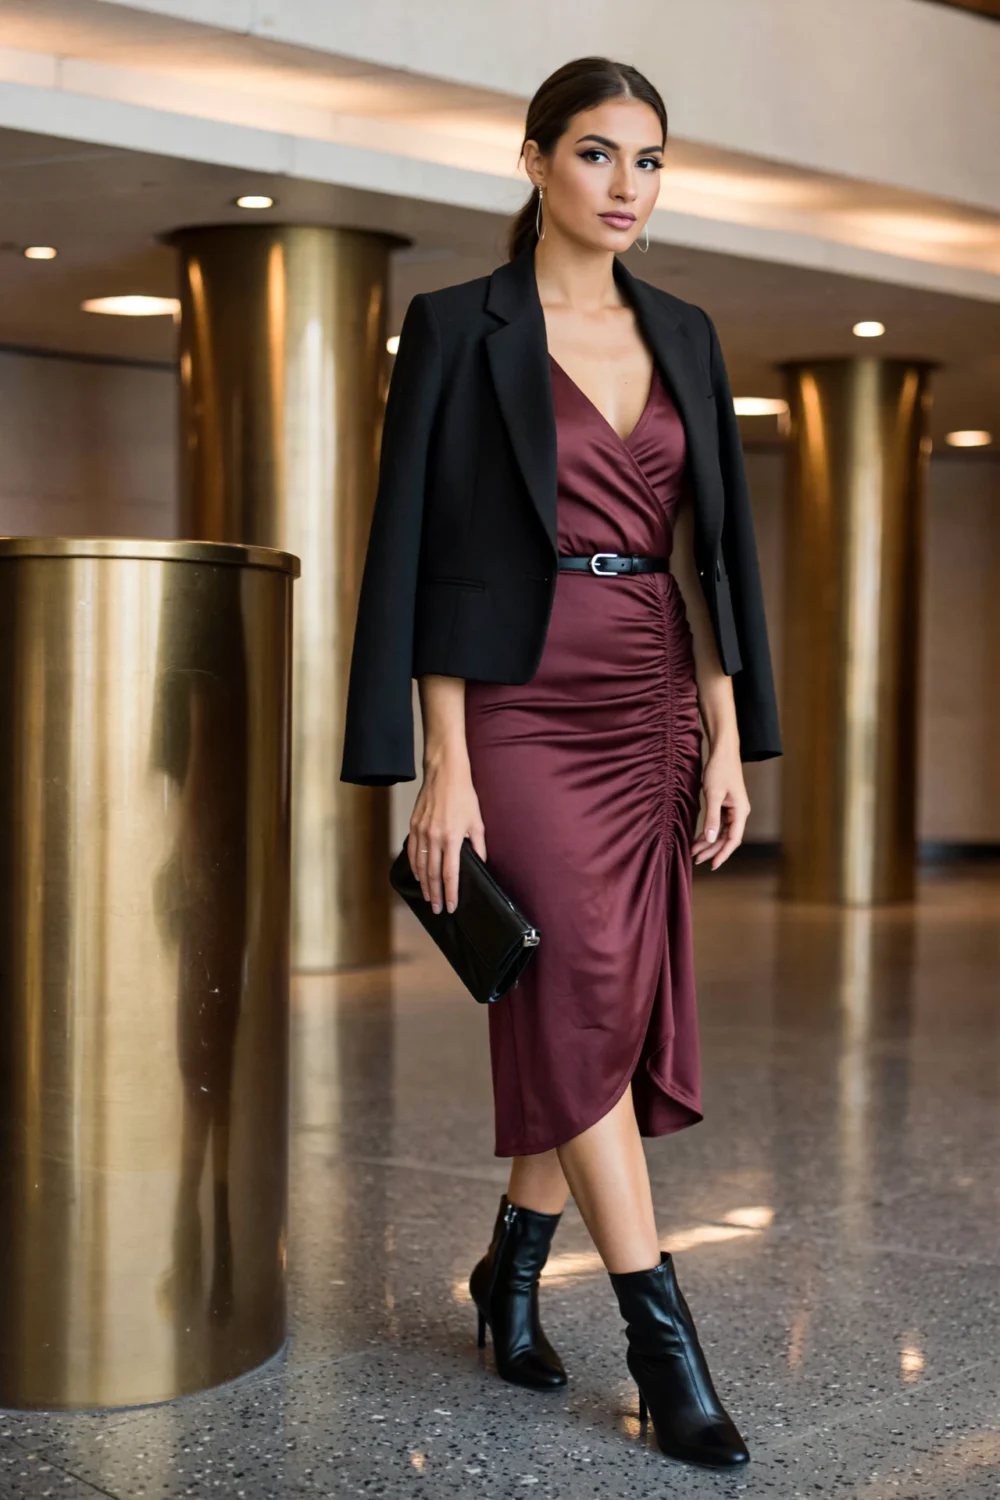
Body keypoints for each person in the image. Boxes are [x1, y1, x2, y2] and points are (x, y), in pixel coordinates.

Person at [340, 55, 781, 1470]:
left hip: (646, 684)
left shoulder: (691, 333)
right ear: (532, 162)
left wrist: (722, 729)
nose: (628, 188)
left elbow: (709, 550)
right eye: (598, 156)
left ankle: (510, 1273)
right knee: (580, 980)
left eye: (651, 161)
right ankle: (666, 1342)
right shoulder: (458, 328)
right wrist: (443, 763)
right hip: (517, 702)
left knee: (594, 1001)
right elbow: (423, 548)